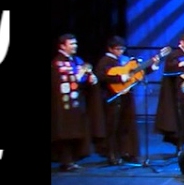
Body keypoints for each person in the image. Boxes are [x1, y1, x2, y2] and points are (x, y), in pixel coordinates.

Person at [94, 36, 153, 165]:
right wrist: (120, 78)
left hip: (126, 97)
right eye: (117, 49)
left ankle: (127, 152)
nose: (120, 51)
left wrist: (150, 67)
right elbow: (101, 77)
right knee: (113, 127)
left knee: (126, 126)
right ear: (110, 49)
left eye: (122, 49)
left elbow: (136, 73)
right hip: (112, 98)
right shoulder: (105, 61)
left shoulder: (125, 60)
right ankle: (112, 154)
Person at [51, 34, 100, 171]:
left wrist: (90, 77)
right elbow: (66, 82)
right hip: (64, 105)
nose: (75, 46)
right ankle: (66, 161)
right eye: (71, 44)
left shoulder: (76, 60)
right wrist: (79, 75)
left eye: (75, 44)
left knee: (76, 131)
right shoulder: (58, 62)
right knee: (66, 132)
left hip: (77, 103)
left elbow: (84, 77)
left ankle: (73, 159)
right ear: (62, 46)